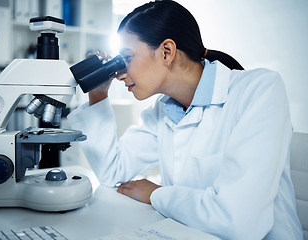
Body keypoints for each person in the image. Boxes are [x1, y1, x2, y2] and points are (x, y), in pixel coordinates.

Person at [67, 0, 303, 239]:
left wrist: (157, 194)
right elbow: (112, 173)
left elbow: (238, 220)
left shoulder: (259, 90)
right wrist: (98, 92)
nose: (118, 74)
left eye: (126, 58)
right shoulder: (163, 109)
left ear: (166, 52)